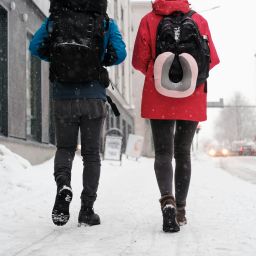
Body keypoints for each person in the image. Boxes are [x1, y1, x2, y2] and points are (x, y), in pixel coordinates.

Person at [29, 0, 126, 227]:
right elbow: (120, 53)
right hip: (93, 97)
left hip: (63, 95)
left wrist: (57, 58)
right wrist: (99, 60)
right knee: (91, 154)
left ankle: (64, 185)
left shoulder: (56, 19)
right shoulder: (104, 21)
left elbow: (35, 46)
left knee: (65, 148)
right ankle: (87, 209)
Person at [132, 0, 219, 232]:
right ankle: (180, 210)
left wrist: (161, 74)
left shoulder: (148, 21)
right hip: (191, 94)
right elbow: (211, 61)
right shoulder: (199, 20)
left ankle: (167, 201)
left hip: (158, 93)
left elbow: (139, 61)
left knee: (163, 152)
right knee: (183, 153)